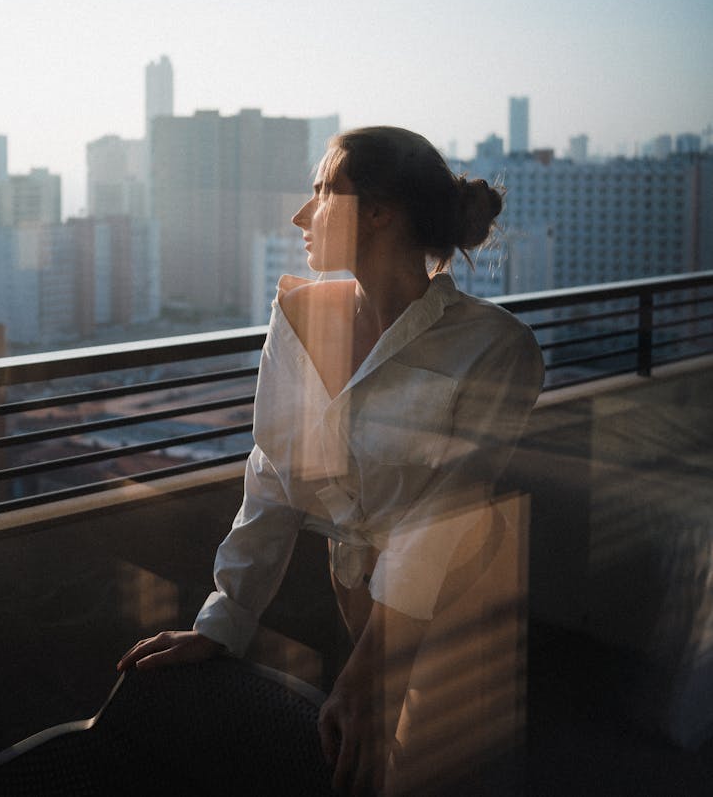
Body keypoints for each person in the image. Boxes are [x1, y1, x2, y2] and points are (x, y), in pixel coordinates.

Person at [118, 126, 544, 795]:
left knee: (430, 766)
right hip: (354, 582)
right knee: (364, 758)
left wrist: (366, 671)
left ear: (380, 212)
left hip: (457, 591)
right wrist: (224, 620)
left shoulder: (498, 348)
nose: (299, 213)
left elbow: (443, 515)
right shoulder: (296, 314)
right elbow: (274, 473)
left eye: (322, 191)